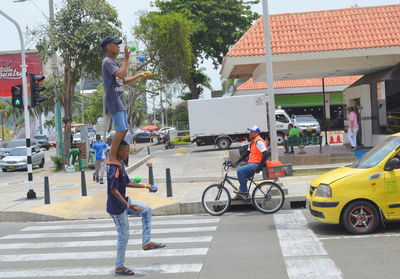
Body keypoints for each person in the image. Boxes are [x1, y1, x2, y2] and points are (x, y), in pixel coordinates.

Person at [107, 140, 166, 276]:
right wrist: (127, 205)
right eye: (126, 151)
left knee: (146, 210)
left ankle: (146, 242)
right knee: (124, 236)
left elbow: (127, 183)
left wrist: (147, 186)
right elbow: (114, 190)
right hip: (117, 207)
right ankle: (119, 266)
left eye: (128, 150)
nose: (128, 153)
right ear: (119, 151)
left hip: (124, 202)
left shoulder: (120, 165)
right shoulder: (114, 168)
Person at [101, 36, 151, 168]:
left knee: (124, 130)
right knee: (121, 129)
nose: (118, 47)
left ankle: (115, 155)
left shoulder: (114, 62)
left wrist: (139, 75)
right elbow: (120, 75)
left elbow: (122, 80)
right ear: (108, 47)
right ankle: (111, 157)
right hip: (113, 99)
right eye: (115, 44)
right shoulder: (108, 62)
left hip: (119, 99)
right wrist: (127, 59)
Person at [233, 126, 268, 199]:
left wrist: (260, 166)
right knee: (243, 175)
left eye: (252, 132)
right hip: (252, 163)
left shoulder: (259, 142)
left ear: (256, 133)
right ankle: (242, 195)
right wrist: (237, 162)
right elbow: (246, 153)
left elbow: (265, 154)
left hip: (256, 164)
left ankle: (243, 190)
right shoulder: (253, 142)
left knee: (240, 171)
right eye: (250, 132)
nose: (250, 134)